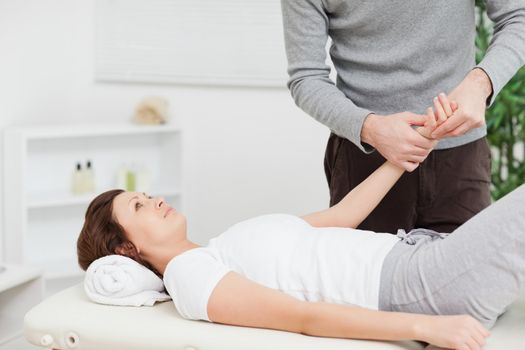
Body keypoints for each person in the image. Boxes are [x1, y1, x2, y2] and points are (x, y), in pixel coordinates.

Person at [76, 99, 523, 350]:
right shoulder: (191, 277)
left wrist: (411, 149)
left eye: (145, 195)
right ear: (126, 250)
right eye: (137, 207)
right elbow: (304, 318)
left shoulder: (221, 246)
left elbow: (343, 216)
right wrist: (424, 327)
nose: (154, 200)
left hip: (422, 257)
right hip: (419, 287)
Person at [280, 0, 525, 233]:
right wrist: (369, 127)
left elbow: (518, 17)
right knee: (366, 276)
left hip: (459, 158)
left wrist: (480, 83)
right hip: (365, 158)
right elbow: (306, 77)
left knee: (466, 275)